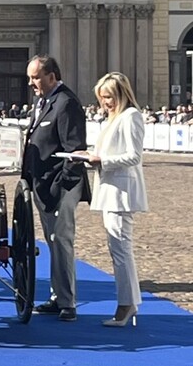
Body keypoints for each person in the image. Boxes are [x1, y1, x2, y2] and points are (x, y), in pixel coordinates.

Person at [22, 54, 90, 322]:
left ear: (52, 75)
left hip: (59, 188)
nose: (31, 83)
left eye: (36, 77)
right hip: (43, 185)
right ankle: (57, 296)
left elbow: (75, 150)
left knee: (62, 242)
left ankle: (67, 303)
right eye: (29, 78)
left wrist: (62, 187)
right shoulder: (44, 102)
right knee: (53, 242)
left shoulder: (66, 103)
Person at [78, 72, 148, 327]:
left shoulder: (131, 117)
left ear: (120, 94)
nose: (105, 102)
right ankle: (130, 302)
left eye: (108, 97)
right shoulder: (113, 119)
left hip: (121, 192)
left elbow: (133, 156)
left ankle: (126, 304)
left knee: (121, 251)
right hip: (111, 190)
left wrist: (102, 160)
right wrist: (90, 155)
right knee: (118, 249)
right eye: (102, 98)